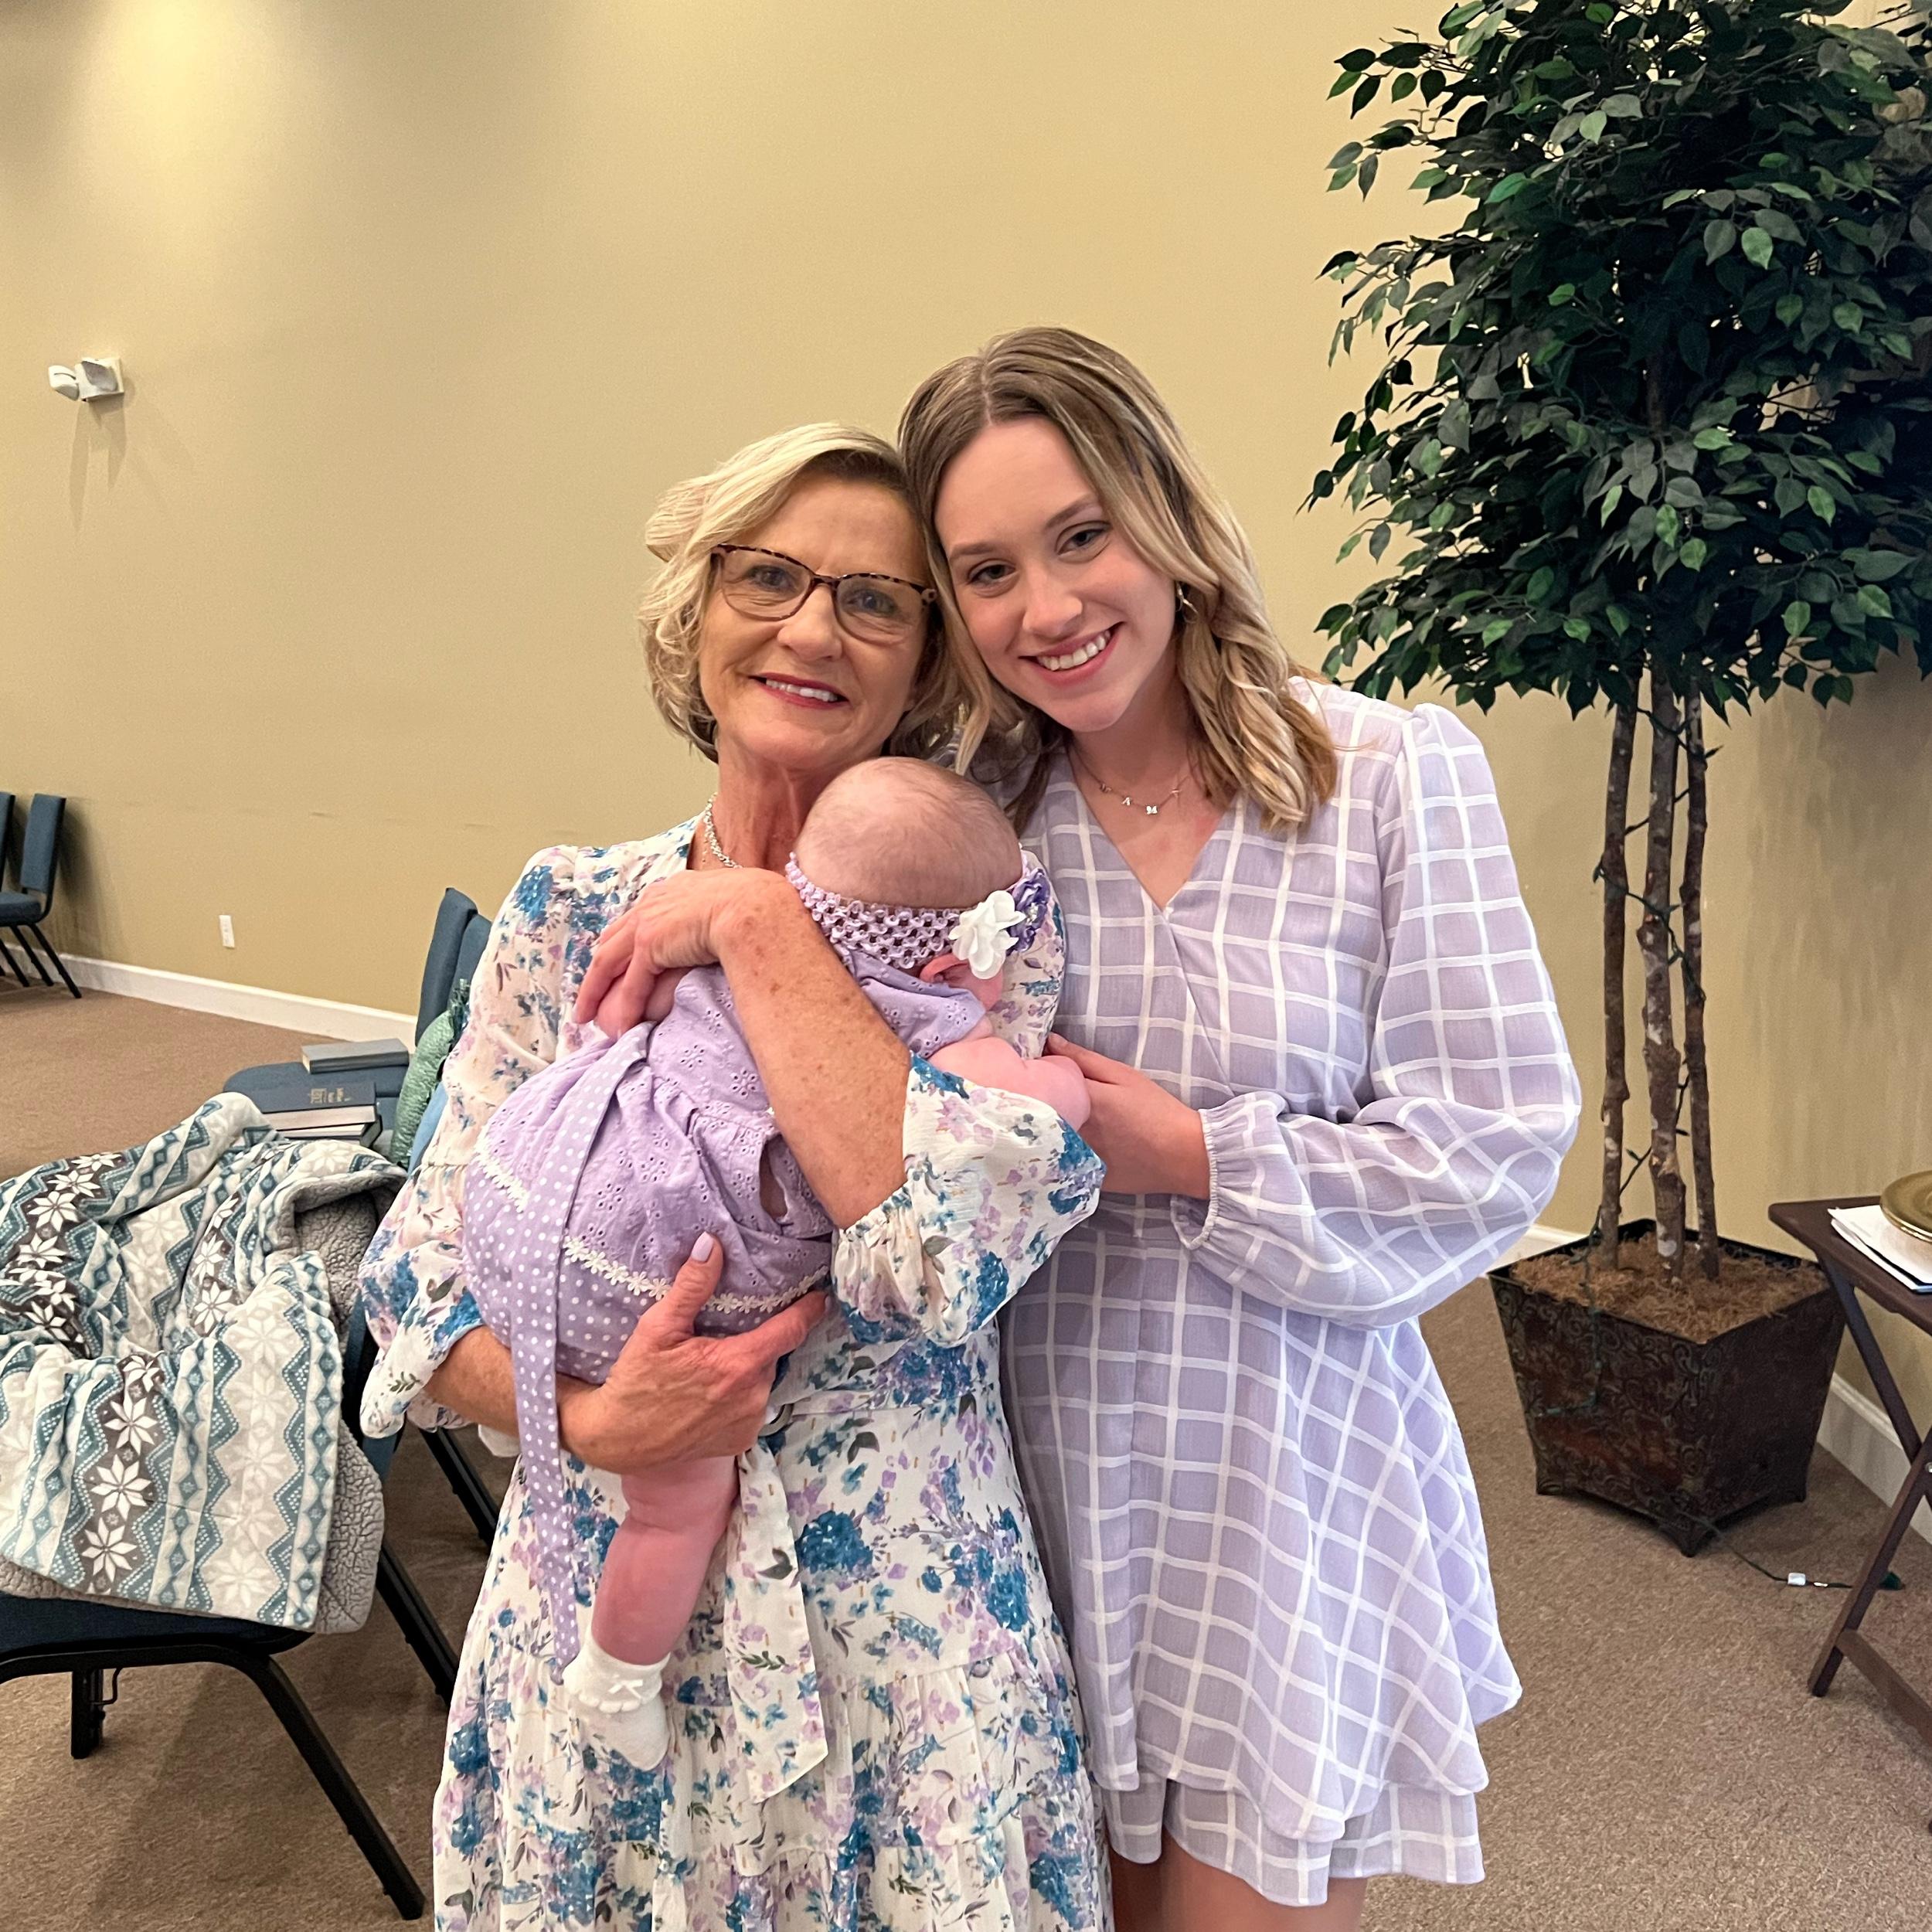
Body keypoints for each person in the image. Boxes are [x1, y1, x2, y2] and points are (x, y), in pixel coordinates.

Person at [358, 424, 1109, 1932]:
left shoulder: (975, 921)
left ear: (926, 661)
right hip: (598, 1617)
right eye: (768, 577)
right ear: (696, 610)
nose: (812, 629)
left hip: (894, 1633)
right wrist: (595, 1418)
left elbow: (937, 1263)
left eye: (875, 599)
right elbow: (417, 1280)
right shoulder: (571, 905)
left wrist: (760, 927)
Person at [894, 328, 1583, 1932]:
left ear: (1167, 517)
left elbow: (1493, 1141)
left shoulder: (1381, 775)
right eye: (986, 571)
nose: (1047, 608)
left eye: (1081, 535)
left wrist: (1195, 1156)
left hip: (1283, 1483)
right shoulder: (963, 825)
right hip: (1028, 1479)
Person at [462, 757, 1090, 1766]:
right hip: (647, 1294)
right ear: (949, 962)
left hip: (521, 1211)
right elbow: (1027, 1120)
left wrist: (756, 924)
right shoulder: (942, 1021)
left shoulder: (692, 951)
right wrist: (1061, 1082)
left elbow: (942, 1270)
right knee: (675, 1511)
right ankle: (615, 1678)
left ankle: (558, 1381)